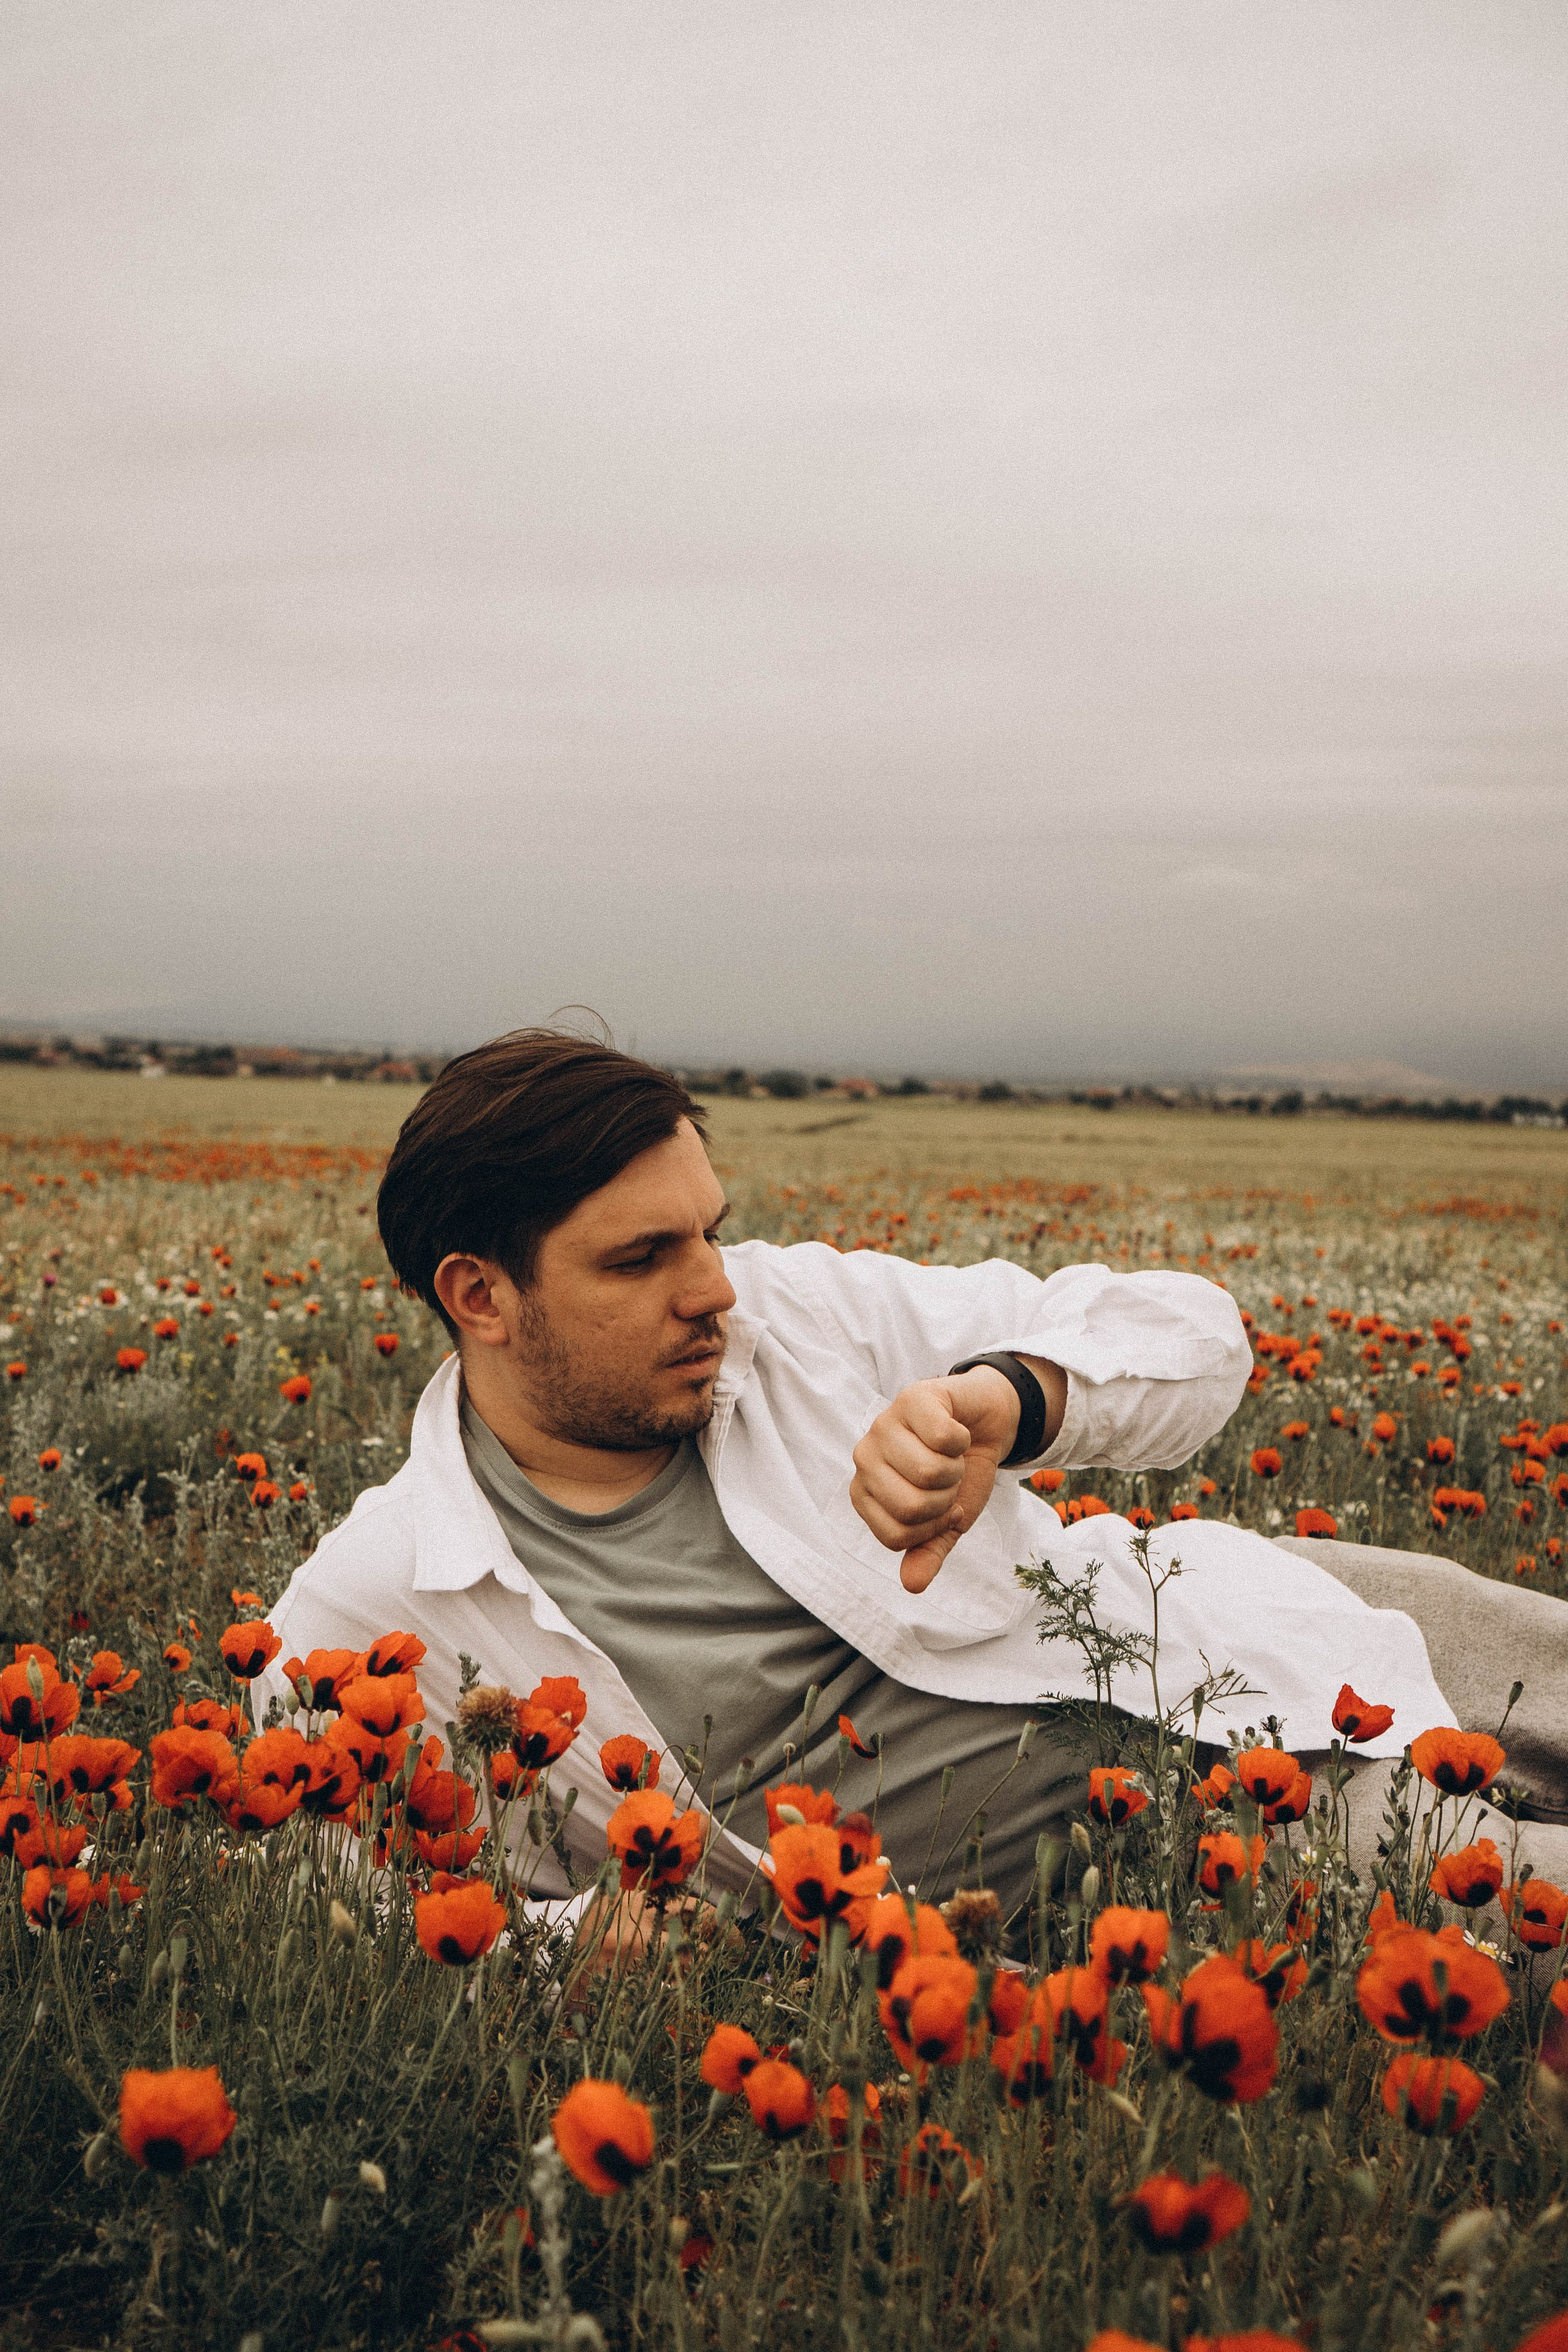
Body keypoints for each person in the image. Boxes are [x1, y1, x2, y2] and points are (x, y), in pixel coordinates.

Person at [258, 1029, 1568, 1932]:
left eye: (710, 1231)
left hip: (1223, 1619)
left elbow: (1194, 1336)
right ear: (481, 1296)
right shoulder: (374, 1609)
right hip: (1200, 1849)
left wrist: (1009, 1398)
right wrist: (570, 1952)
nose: (713, 1288)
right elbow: (323, 1911)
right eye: (642, 1258)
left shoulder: (796, 1315)